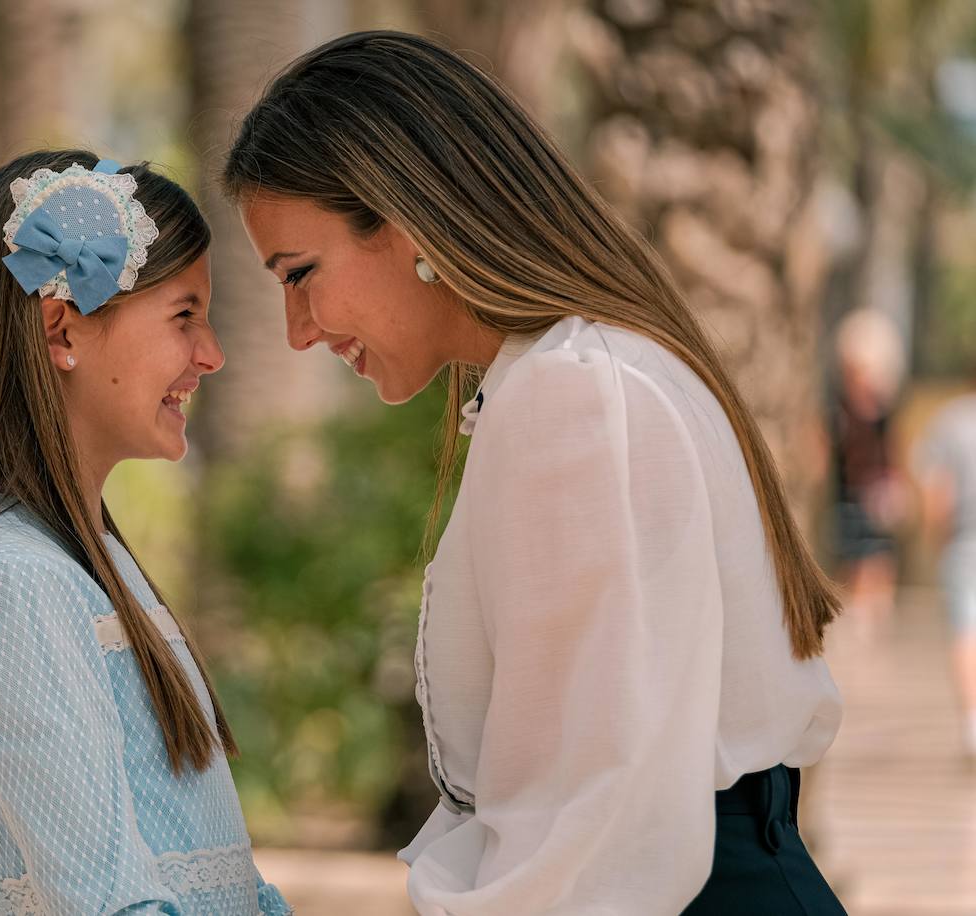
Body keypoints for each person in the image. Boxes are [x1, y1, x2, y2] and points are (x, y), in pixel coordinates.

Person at [225, 31, 845, 915]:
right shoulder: (584, 372)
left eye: (301, 274)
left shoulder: (575, 394)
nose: (297, 329)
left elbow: (591, 832)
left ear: (405, 223)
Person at [0, 149, 289, 915]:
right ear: (61, 331)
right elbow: (105, 902)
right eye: (184, 316)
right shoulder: (18, 582)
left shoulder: (85, 564)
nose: (210, 355)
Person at [829, 307, 909, 638]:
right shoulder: (839, 411)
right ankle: (858, 617)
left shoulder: (885, 413)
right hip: (848, 496)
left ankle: (875, 617)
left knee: (878, 556)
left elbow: (894, 453)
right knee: (852, 555)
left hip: (876, 496)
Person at [914, 370, 976, 759]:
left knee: (967, 631)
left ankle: (973, 720)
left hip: (963, 543)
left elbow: (939, 492)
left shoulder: (950, 422)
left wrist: (934, 538)